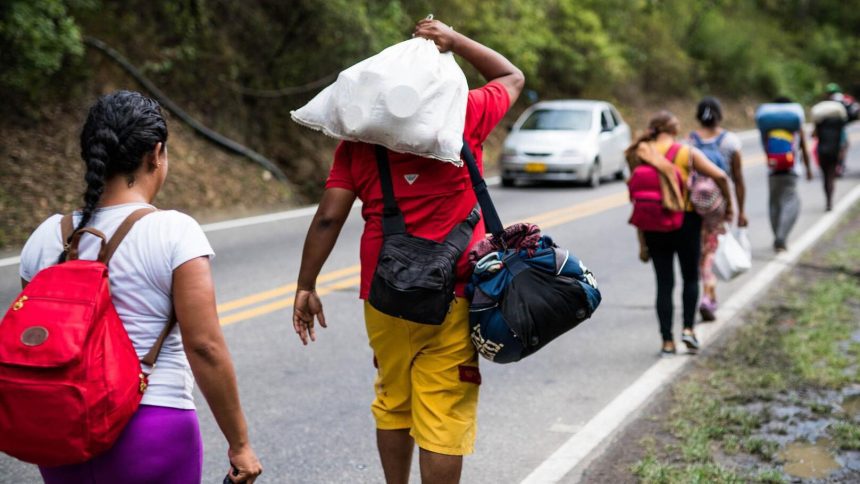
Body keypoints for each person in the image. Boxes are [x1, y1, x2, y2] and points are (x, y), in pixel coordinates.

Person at [291, 18, 523, 484]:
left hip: (384, 296)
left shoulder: (359, 141)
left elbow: (328, 218)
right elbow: (511, 77)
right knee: (442, 411)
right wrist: (455, 40)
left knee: (393, 400)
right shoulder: (465, 115)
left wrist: (306, 285)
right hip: (453, 296)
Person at [19, 91, 262, 484]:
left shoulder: (46, 235)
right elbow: (205, 346)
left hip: (62, 432)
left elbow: (36, 342)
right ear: (156, 153)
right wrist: (240, 444)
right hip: (151, 424)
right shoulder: (174, 231)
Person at [626, 111, 733, 356]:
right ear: (674, 130)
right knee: (690, 278)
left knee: (664, 283)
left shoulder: (639, 151)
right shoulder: (686, 152)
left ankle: (666, 341)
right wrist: (728, 207)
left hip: (652, 223)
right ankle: (688, 331)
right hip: (685, 221)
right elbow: (721, 176)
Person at [689, 97, 748, 322]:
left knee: (700, 249)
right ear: (720, 114)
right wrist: (739, 210)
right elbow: (738, 179)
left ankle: (704, 292)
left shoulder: (691, 141)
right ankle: (708, 295)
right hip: (717, 205)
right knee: (712, 250)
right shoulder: (730, 141)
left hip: (693, 204)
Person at [761, 97, 813, 252]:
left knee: (774, 204)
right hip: (791, 171)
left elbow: (765, 147)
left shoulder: (767, 126)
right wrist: (808, 168)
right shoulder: (794, 125)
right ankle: (781, 237)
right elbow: (803, 146)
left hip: (772, 171)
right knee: (791, 203)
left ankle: (777, 234)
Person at [812, 102, 849, 210]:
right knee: (830, 176)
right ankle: (829, 201)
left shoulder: (820, 125)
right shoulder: (839, 124)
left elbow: (814, 135)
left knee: (825, 177)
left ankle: (828, 200)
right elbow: (844, 141)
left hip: (822, 152)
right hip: (834, 152)